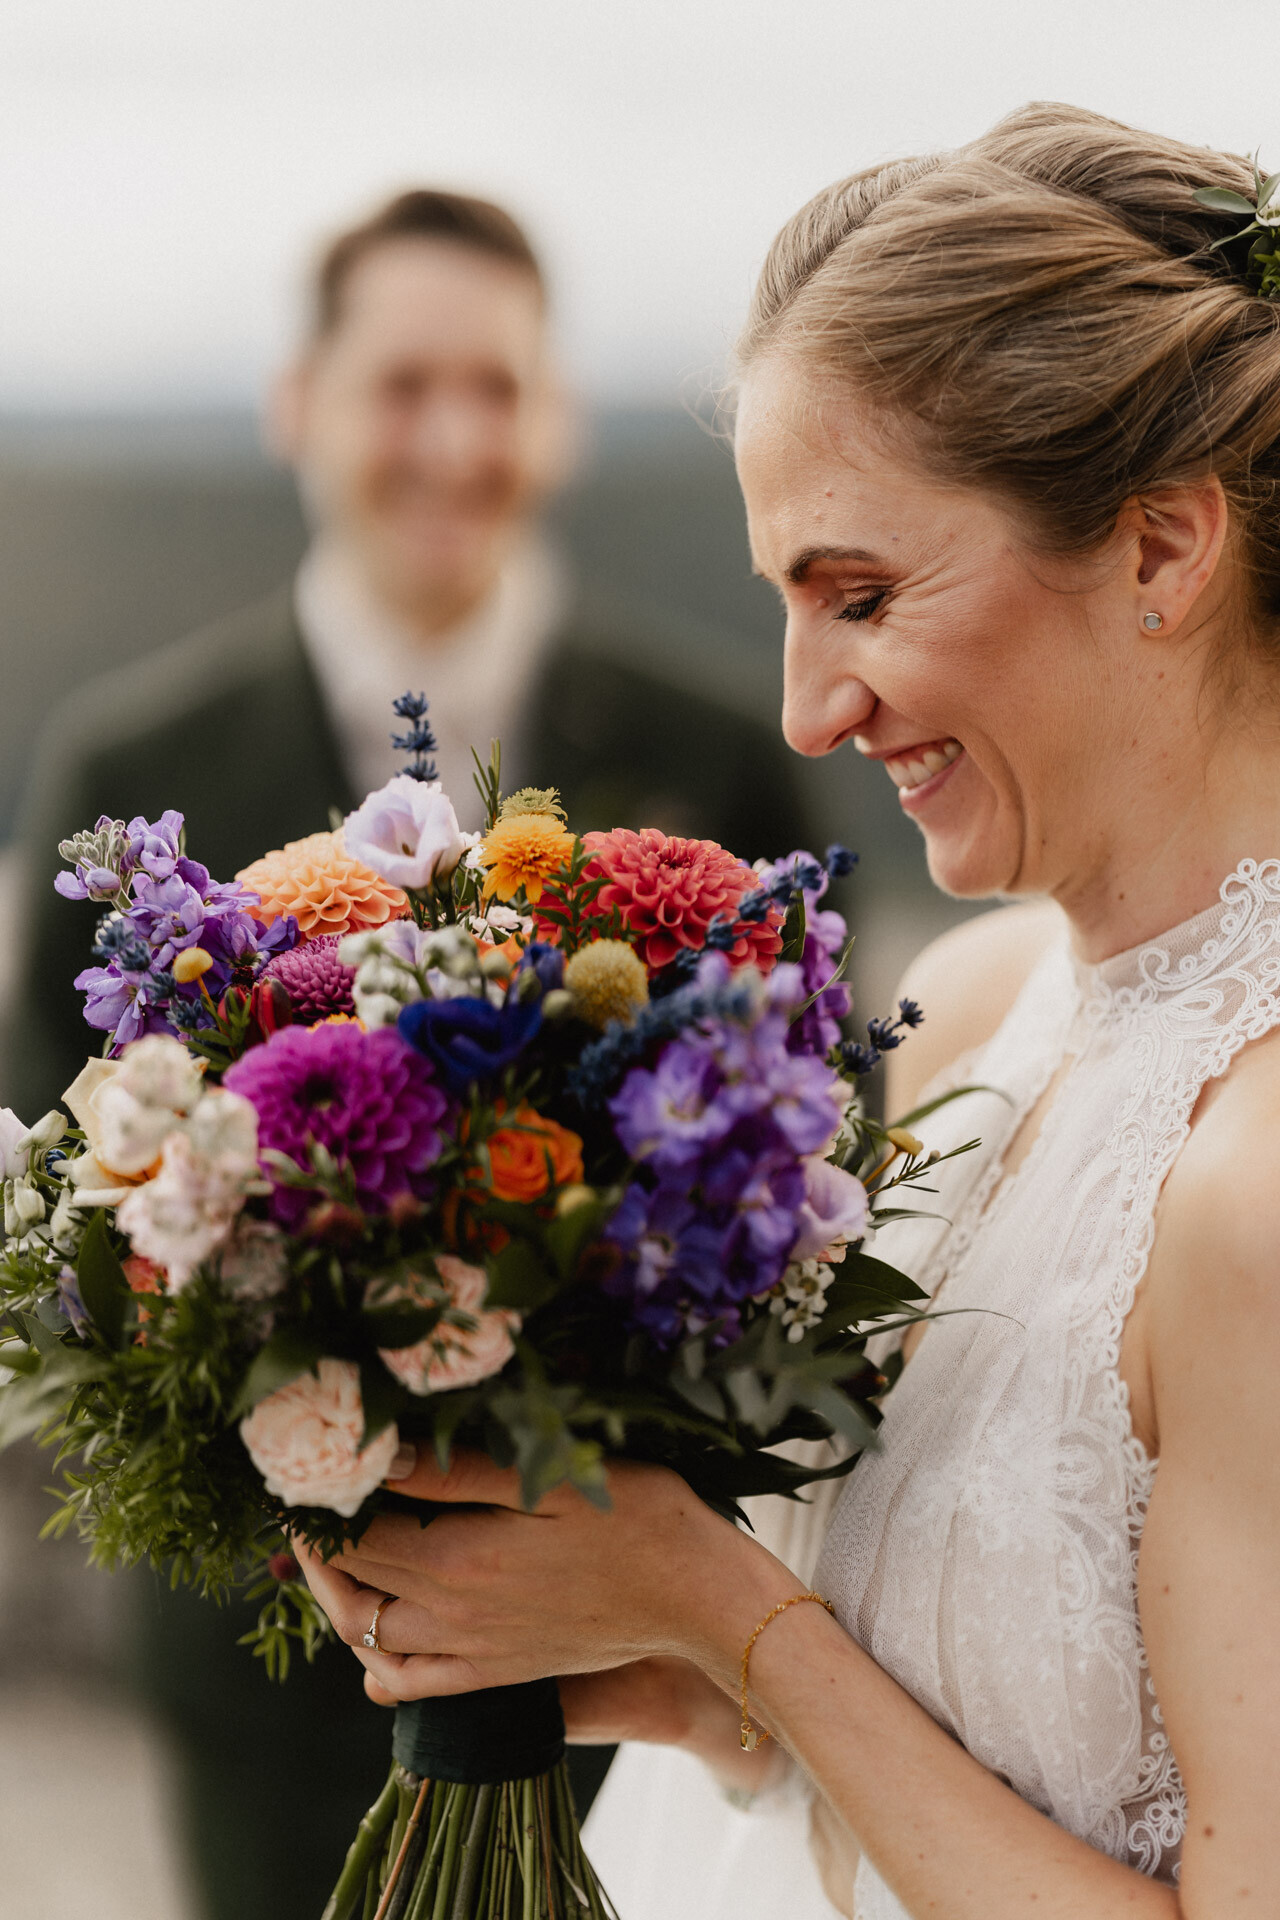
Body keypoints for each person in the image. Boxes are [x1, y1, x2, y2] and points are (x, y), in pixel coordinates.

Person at [296, 103, 1280, 1920]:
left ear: (1160, 549)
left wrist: (731, 1617)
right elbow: (940, 1762)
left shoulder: (1254, 1187)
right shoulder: (972, 1017)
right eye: (784, 604)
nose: (808, 710)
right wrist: (667, 1681)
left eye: (865, 594)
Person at [3, 187, 813, 1920]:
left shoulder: (717, 762)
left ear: (558, 418)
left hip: (628, 1680)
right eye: (402, 386)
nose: (454, 439)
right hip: (267, 1682)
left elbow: (803, 1197)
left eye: (499, 388)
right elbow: (65, 1227)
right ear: (302, 403)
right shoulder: (130, 767)